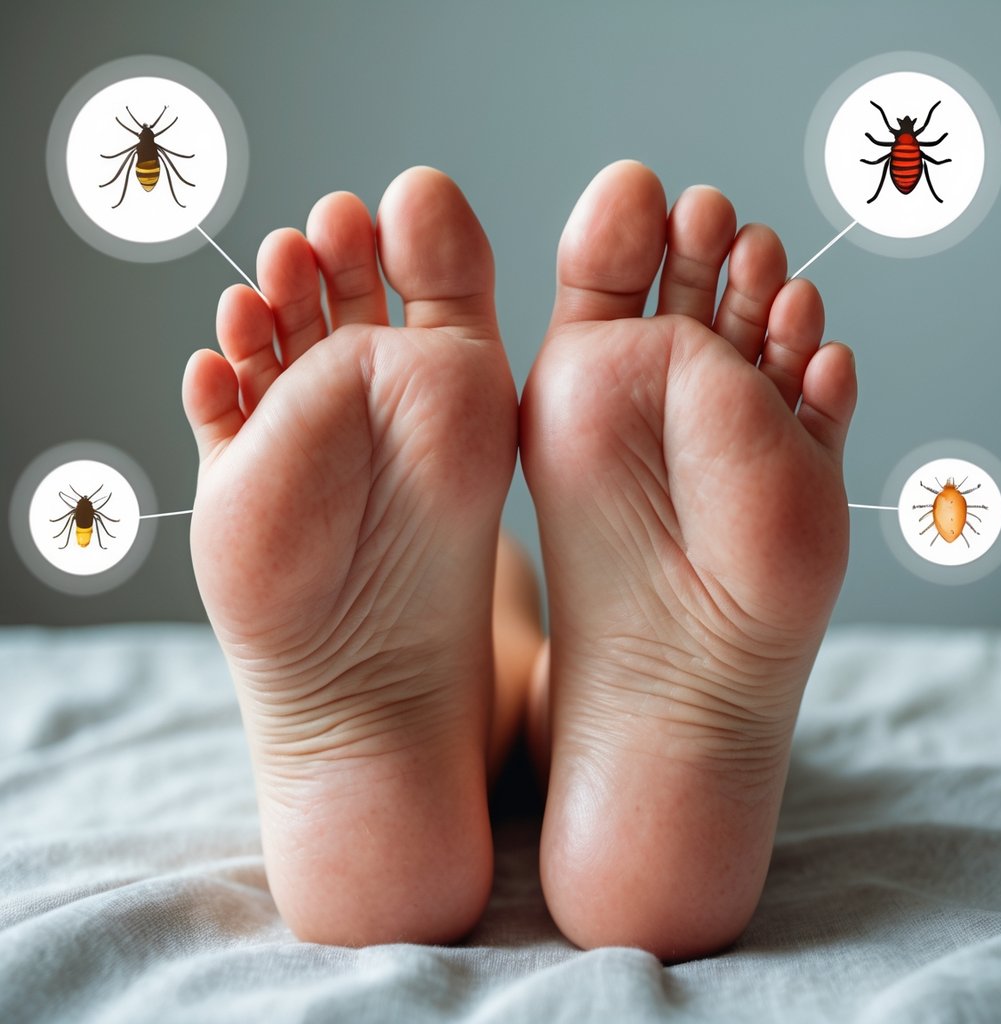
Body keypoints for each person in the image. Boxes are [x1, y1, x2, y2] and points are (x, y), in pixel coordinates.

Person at [181, 160, 857, 962]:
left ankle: (402, 746)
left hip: (454, 667)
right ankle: (593, 732)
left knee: (502, 593)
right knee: (530, 630)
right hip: (562, 683)